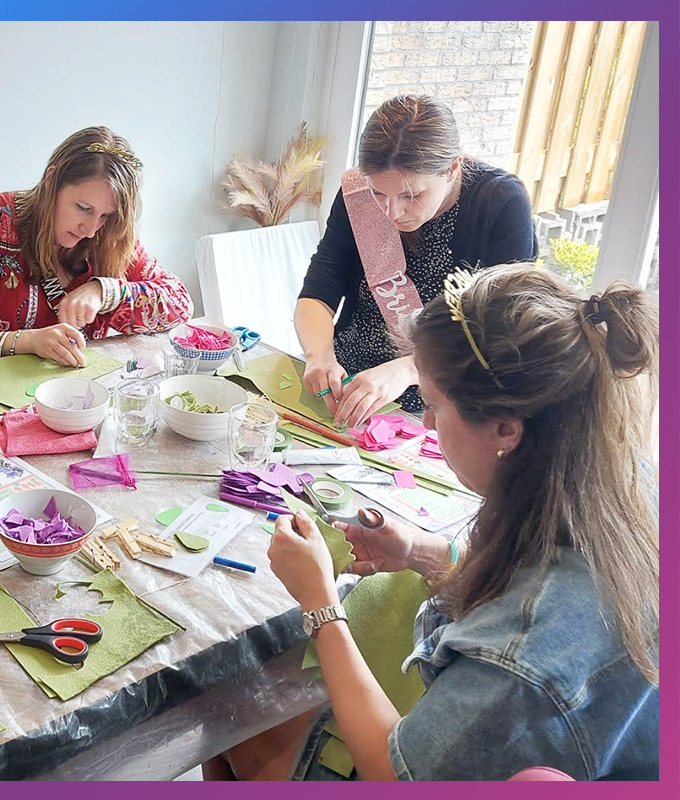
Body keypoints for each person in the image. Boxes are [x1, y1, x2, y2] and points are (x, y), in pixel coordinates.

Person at [205, 264, 659, 781]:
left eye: (434, 405)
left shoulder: (521, 657)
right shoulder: (623, 478)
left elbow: (394, 775)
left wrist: (320, 605)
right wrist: (425, 552)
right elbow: (533, 578)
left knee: (226, 715)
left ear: (506, 430)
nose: (424, 422)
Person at [296, 95, 537, 427]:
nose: (392, 212)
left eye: (412, 195)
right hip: (347, 385)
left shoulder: (500, 203)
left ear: (452, 168)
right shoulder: (359, 193)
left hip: (443, 405)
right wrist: (319, 356)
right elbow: (320, 287)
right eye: (378, 193)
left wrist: (409, 369)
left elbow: (504, 330)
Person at [0, 126, 193, 372]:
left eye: (104, 215)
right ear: (51, 180)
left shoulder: (108, 236)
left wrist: (104, 291)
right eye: (83, 208)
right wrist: (27, 342)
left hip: (81, 396)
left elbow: (180, 304)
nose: (91, 229)